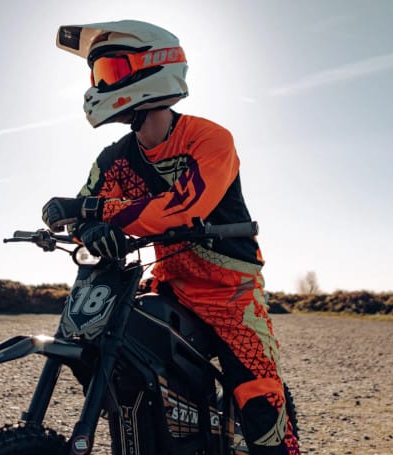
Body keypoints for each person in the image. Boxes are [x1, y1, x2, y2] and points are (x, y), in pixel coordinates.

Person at [42, 20, 301, 455]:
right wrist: (89, 228)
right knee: (106, 348)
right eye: (96, 75)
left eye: (108, 71)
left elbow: (180, 208)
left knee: (259, 397)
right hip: (168, 281)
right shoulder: (114, 158)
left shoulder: (209, 139)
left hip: (229, 291)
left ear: (152, 67)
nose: (97, 86)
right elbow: (85, 208)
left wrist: (94, 213)